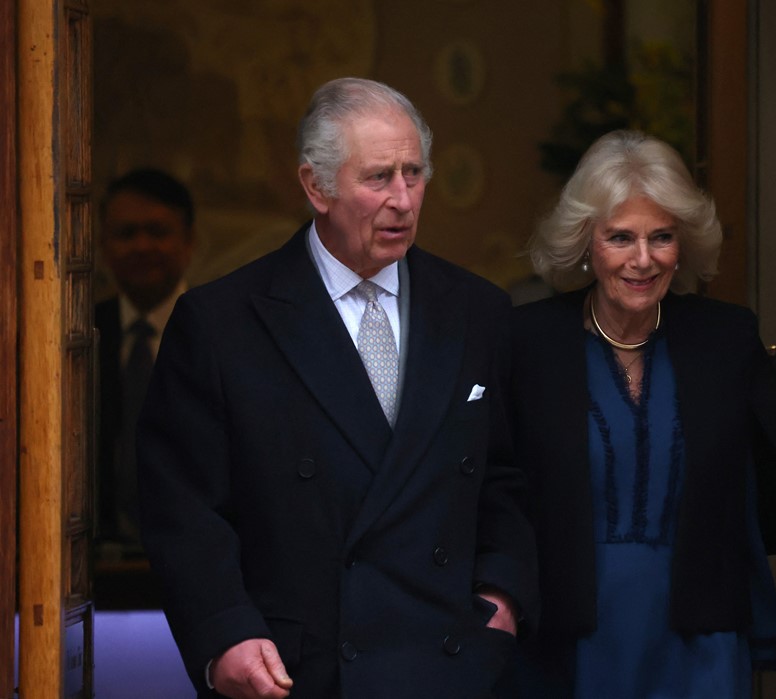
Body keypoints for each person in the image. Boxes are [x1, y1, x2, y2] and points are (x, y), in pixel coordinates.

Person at [136, 77, 538, 698]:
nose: (403, 200)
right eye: (379, 177)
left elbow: (504, 476)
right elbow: (182, 507)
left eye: (414, 173)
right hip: (299, 672)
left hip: (449, 664)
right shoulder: (222, 323)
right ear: (315, 187)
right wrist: (225, 632)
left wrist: (501, 597)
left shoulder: (478, 310)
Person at [506, 130, 776, 698]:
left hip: (701, 640)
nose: (643, 260)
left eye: (662, 237)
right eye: (620, 237)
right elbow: (498, 493)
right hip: (571, 640)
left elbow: (756, 496)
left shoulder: (725, 339)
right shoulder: (527, 345)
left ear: (684, 243)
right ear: (586, 242)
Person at [95, 168, 195, 555]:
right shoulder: (79, 335)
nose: (141, 246)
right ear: (104, 246)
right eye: (126, 234)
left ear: (188, 240)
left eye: (157, 232)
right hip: (102, 564)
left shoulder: (221, 329)